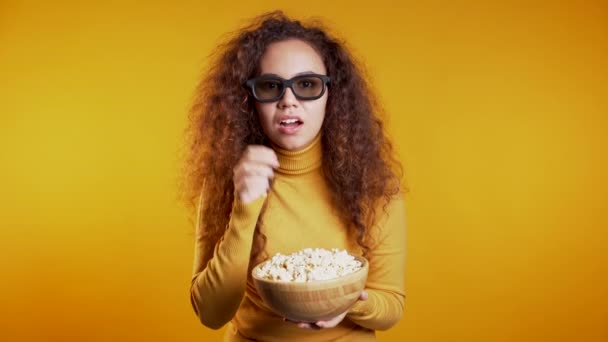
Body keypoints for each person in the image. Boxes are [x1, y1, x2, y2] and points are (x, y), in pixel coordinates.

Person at [182, 10, 407, 342]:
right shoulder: (233, 179)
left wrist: (347, 304)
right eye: (271, 86)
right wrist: (244, 209)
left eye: (307, 85)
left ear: (332, 94)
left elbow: (390, 306)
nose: (289, 101)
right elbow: (211, 313)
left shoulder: (371, 183)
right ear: (249, 98)